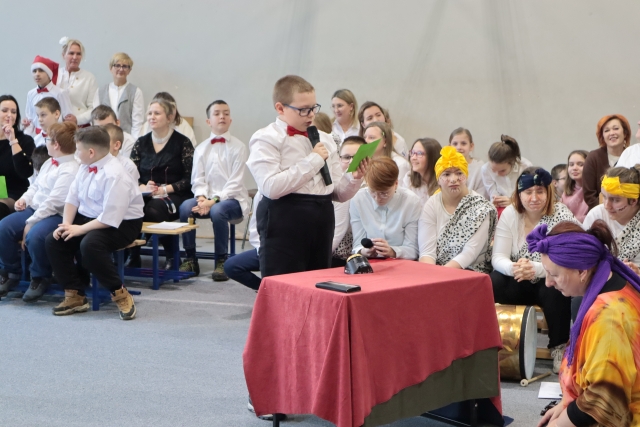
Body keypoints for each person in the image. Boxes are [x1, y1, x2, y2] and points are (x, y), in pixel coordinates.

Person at [246, 75, 367, 278]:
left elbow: (338, 193)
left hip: (322, 216)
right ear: (280, 108)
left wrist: (354, 178)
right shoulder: (266, 138)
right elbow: (270, 187)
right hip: (284, 216)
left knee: (318, 280)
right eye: (303, 109)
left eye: (313, 108)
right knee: (285, 282)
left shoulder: (326, 139)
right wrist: (313, 160)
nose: (310, 115)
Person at [531, 221, 640, 427]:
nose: (548, 282)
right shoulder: (611, 282)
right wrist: (566, 404)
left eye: (554, 274)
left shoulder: (607, 317)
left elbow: (603, 399)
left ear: (582, 271)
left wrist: (558, 424)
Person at [45, 126, 143, 320]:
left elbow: (109, 218)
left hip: (123, 223)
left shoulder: (115, 174)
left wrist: (80, 229)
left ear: (91, 152)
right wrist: (66, 225)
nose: (75, 154)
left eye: (78, 149)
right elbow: (72, 198)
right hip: (90, 217)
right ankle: (75, 294)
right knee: (54, 240)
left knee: (90, 245)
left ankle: (120, 293)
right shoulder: (85, 165)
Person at [490, 167, 575, 373]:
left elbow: (565, 259)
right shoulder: (510, 214)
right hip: (517, 276)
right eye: (528, 192)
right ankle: (487, 345)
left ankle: (559, 347)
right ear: (519, 194)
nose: (534, 198)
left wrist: (535, 269)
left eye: (540, 191)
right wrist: (514, 268)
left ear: (548, 192)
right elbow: (498, 257)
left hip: (547, 277)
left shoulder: (561, 214)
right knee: (491, 281)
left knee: (558, 288)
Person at [0, 122, 79, 300]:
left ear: (56, 144)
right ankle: (10, 272)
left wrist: (31, 222)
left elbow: (53, 203)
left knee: (35, 236)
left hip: (56, 214)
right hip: (36, 208)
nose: (45, 142)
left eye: (47, 139)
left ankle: (40, 276)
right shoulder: (49, 163)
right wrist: (24, 199)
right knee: (3, 227)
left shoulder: (70, 169)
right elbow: (35, 186)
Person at [179, 100, 248, 280]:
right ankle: (190, 258)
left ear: (230, 120)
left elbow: (235, 183)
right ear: (208, 121)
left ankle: (221, 260)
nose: (222, 116)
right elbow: (197, 179)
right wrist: (201, 198)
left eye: (226, 113)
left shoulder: (239, 147)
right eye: (217, 113)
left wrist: (213, 201)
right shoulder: (201, 149)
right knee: (185, 207)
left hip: (232, 200)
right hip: (207, 199)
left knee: (218, 210)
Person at [128, 99, 194, 270]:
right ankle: (132, 254)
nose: (152, 117)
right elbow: (130, 175)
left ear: (169, 117)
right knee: (130, 206)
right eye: (150, 113)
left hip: (175, 193)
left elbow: (189, 178)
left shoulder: (183, 143)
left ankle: (172, 255)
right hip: (146, 193)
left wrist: (164, 189)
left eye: (157, 113)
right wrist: (143, 187)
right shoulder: (140, 142)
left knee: (153, 209)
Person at [418, 146, 496, 271]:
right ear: (438, 180)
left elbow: (470, 253)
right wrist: (431, 275)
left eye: (459, 173)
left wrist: (442, 274)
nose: (454, 179)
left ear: (466, 176)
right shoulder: (432, 204)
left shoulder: (481, 207)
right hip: (436, 270)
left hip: (470, 270)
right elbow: (427, 252)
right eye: (446, 174)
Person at [350, 157, 420, 259]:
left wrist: (392, 251)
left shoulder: (411, 202)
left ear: (396, 184)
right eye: (372, 192)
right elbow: (357, 246)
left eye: (384, 193)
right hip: (370, 262)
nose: (377, 198)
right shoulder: (358, 199)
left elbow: (413, 250)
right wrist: (364, 251)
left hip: (400, 262)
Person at [583, 114, 630, 209]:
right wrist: (608, 209)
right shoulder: (593, 157)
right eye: (606, 130)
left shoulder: (632, 155)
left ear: (625, 133)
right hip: (601, 211)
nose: (611, 133)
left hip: (629, 210)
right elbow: (589, 194)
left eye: (616, 128)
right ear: (602, 136)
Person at [0, 95, 36, 220]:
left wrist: (12, 141)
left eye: (13, 112)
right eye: (4, 111)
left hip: (13, 192)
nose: (9, 115)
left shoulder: (25, 140)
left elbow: (26, 172)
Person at [92, 53, 144, 138]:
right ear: (111, 68)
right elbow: (95, 118)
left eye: (125, 66)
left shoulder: (136, 92)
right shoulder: (100, 91)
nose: (121, 69)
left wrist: (134, 142)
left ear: (129, 70)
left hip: (126, 138)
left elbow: (137, 123)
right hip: (103, 138)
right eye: (117, 65)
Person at [331, 136, 365, 266]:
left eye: (356, 157)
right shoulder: (335, 186)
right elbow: (336, 231)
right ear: (339, 159)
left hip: (362, 256)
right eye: (346, 157)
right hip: (336, 256)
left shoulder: (371, 187)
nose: (351, 162)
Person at [480, 134, 533, 215]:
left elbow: (530, 194)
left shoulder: (525, 167)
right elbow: (493, 194)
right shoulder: (485, 169)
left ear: (512, 162)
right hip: (502, 209)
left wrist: (514, 201)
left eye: (502, 170)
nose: (497, 174)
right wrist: (496, 200)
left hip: (524, 207)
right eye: (493, 170)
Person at [23, 56, 72, 137]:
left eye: (41, 70)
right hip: (38, 137)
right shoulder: (31, 94)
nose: (37, 74)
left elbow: (68, 118)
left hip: (57, 135)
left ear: (49, 74)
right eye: (34, 71)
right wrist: (25, 137)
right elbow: (30, 119)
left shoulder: (60, 93)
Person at [223, 192, 263, 291]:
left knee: (217, 212)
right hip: (267, 249)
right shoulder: (261, 194)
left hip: (290, 251)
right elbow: (255, 230)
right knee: (231, 266)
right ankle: (264, 289)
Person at [57, 37, 98, 127]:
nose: (75, 57)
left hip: (81, 127)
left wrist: (77, 119)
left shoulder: (89, 78)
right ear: (63, 55)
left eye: (78, 54)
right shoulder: (56, 75)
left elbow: (94, 107)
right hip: (58, 126)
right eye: (71, 53)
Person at [401, 138, 441, 205]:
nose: (413, 158)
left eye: (419, 153)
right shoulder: (408, 179)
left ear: (432, 157)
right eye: (412, 153)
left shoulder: (443, 181)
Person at [449, 127, 487, 198]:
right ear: (449, 147)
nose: (459, 147)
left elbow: (482, 194)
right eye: (455, 144)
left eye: (463, 143)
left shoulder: (479, 167)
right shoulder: (446, 166)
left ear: (471, 146)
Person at [561, 150, 589, 222]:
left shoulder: (596, 190)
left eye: (580, 165)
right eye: (571, 164)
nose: (574, 168)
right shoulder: (566, 192)